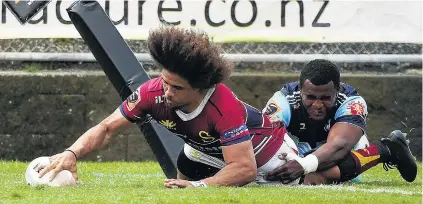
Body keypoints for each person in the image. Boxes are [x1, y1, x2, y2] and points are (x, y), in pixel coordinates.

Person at [39, 27, 299, 188]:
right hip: (205, 153)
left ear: (199, 86)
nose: (167, 92)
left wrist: (199, 186)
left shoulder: (223, 105)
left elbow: (245, 168)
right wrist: (72, 153)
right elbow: (107, 128)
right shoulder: (151, 93)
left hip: (269, 155)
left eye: (177, 88)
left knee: (308, 181)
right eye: (165, 83)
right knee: (185, 176)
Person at [263, 59, 417, 185]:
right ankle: (386, 150)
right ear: (301, 90)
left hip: (340, 153)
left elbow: (339, 146)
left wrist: (304, 166)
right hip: (297, 153)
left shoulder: (352, 102)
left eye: (325, 98)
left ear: (337, 90)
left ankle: (385, 150)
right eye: (310, 97)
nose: (317, 105)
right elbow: (261, 136)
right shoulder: (282, 100)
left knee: (315, 177)